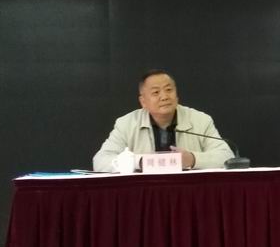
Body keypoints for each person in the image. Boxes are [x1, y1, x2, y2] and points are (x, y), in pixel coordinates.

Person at [93, 70, 233, 172]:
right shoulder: (126, 124)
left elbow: (226, 157)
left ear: (177, 95)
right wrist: (139, 162)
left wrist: (192, 159)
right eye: (156, 92)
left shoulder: (200, 120)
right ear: (143, 101)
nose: (164, 97)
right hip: (144, 191)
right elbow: (100, 161)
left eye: (169, 90)